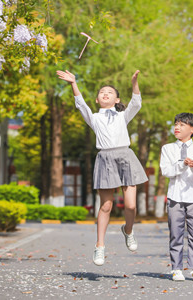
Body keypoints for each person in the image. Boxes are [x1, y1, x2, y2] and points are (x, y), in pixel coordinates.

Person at [56, 69, 148, 266]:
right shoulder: (94, 118)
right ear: (97, 100)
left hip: (125, 156)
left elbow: (137, 103)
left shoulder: (122, 116)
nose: (105, 94)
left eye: (110, 92)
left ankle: (128, 231)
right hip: (105, 159)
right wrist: (73, 82)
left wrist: (134, 83)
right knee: (106, 205)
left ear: (116, 99)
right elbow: (80, 104)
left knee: (131, 205)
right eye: (101, 92)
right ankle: (100, 246)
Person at [159, 112, 193, 281]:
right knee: (176, 233)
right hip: (175, 197)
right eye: (176, 124)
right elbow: (166, 171)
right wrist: (182, 164)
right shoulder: (167, 149)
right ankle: (177, 268)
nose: (177, 127)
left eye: (181, 125)